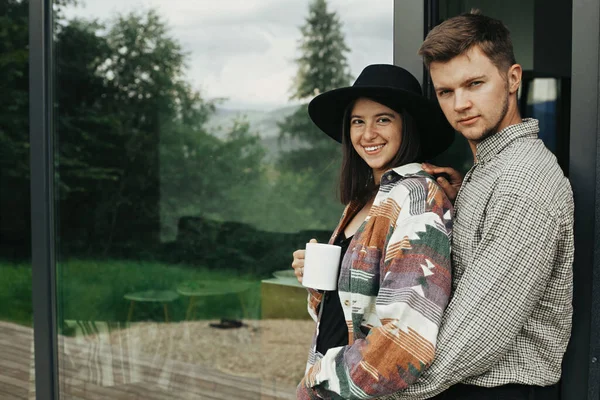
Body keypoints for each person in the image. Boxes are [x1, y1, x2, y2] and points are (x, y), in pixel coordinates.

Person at [386, 10, 575, 400]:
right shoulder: (488, 170)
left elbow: (477, 330)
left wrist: (376, 388)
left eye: (475, 84)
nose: (460, 104)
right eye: (446, 91)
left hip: (497, 388)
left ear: (513, 78)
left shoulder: (524, 181)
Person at [291, 64, 455, 399]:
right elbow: (349, 309)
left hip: (351, 390)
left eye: (383, 119)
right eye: (357, 122)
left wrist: (318, 383)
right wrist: (318, 276)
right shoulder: (365, 198)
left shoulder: (417, 197)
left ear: (407, 125)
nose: (368, 134)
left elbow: (405, 339)